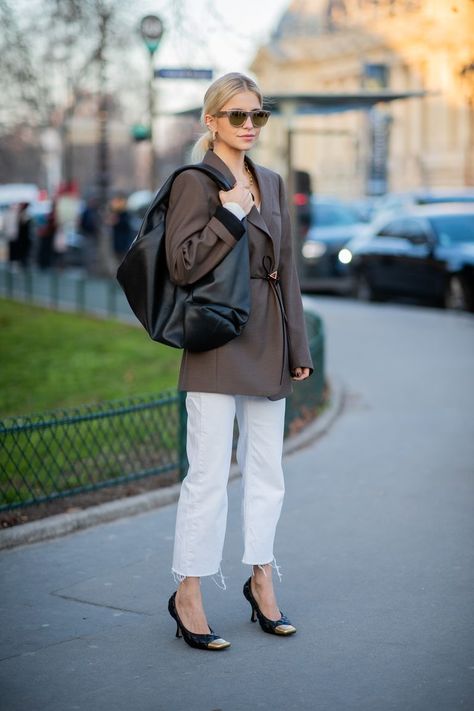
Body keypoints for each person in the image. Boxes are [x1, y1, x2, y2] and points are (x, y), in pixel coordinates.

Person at [165, 72, 313, 651]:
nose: (249, 126)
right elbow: (181, 266)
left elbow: (289, 273)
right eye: (237, 116)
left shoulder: (273, 183)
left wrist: (298, 346)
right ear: (211, 121)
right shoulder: (195, 182)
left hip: (269, 338)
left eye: (258, 115)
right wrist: (227, 215)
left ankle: (261, 578)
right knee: (206, 476)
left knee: (267, 473)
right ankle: (189, 591)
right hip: (216, 338)